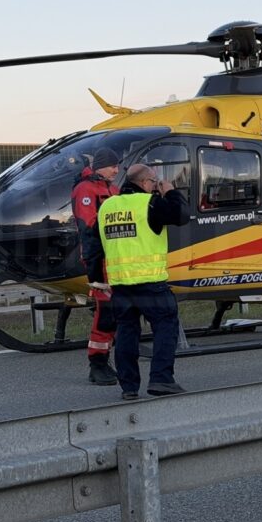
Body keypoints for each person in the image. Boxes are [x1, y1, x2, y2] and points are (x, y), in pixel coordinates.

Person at [88, 163, 190, 399]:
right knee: (166, 326)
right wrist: (170, 191)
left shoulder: (107, 207)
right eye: (153, 183)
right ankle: (161, 379)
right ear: (145, 183)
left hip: (121, 285)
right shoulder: (149, 204)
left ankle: (129, 387)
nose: (155, 187)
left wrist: (95, 279)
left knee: (126, 333)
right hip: (150, 282)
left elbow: (93, 246)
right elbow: (182, 215)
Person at [70, 147, 121, 385]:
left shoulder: (111, 188)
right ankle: (97, 364)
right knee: (106, 313)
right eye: (113, 165)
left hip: (118, 261)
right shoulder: (86, 189)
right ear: (100, 165)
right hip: (100, 261)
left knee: (117, 311)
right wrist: (93, 268)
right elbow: (88, 227)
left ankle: (108, 360)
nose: (116, 169)